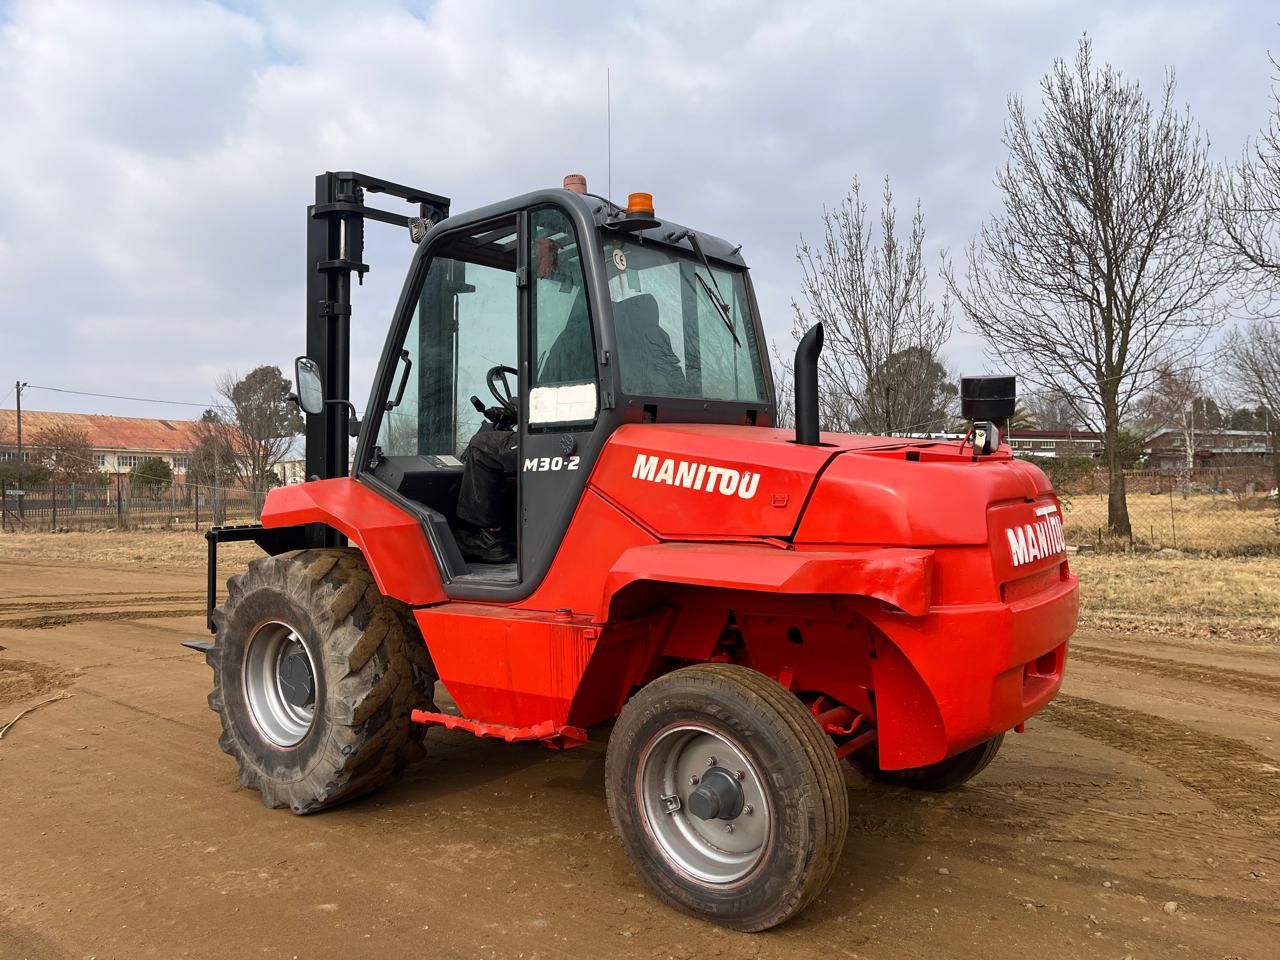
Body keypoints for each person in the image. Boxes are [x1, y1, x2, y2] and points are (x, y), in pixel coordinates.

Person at [454, 419, 518, 564]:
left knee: (481, 445)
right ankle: (511, 533)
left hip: (550, 438)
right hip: (557, 437)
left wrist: (521, 406)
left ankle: (489, 537)